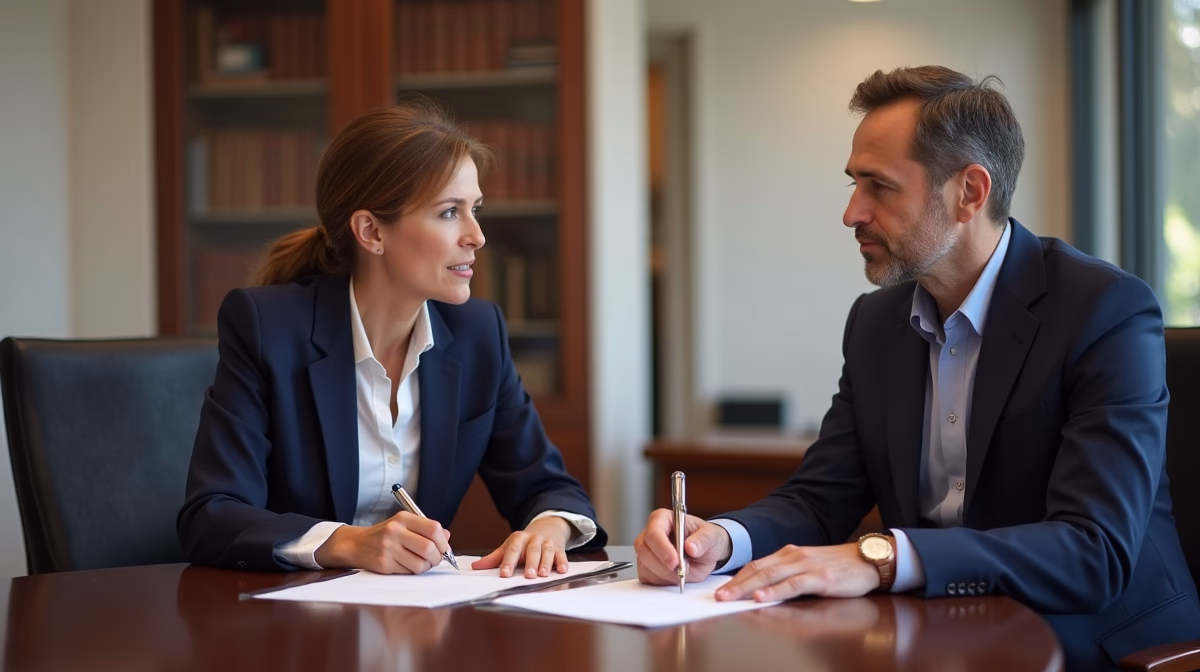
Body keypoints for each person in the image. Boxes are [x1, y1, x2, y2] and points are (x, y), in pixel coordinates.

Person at [633, 65, 1200, 670]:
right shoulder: (876, 323)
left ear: (970, 193)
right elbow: (820, 499)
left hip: (1103, 646)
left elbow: (1094, 551)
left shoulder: (1103, 309)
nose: (852, 212)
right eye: (853, 184)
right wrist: (719, 540)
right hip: (943, 637)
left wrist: (881, 557)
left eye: (879, 187)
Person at [178, 101, 605, 577]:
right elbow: (211, 515)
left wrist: (549, 528)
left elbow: (548, 486)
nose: (477, 236)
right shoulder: (268, 328)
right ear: (371, 231)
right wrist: (349, 543)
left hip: (420, 623)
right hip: (288, 627)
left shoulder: (477, 333)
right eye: (449, 213)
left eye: (475, 210)